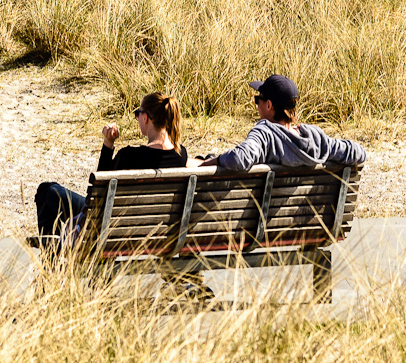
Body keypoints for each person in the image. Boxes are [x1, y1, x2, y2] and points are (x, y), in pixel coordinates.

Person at [35, 92, 189, 241]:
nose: (137, 117)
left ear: (146, 118)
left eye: (138, 113)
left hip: (114, 228)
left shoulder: (129, 156)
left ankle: (52, 263)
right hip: (161, 232)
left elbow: (99, 194)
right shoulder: (181, 155)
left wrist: (108, 144)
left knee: (47, 191)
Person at [195, 74, 367, 172]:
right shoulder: (314, 137)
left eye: (258, 99)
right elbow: (359, 153)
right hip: (311, 223)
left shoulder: (265, 135)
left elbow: (241, 158)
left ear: (269, 105)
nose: (257, 104)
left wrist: (213, 161)